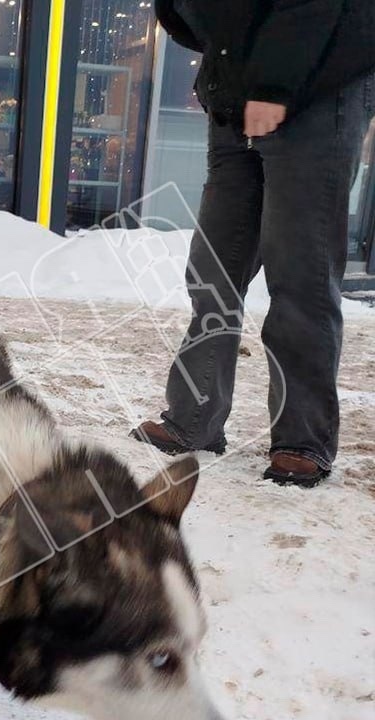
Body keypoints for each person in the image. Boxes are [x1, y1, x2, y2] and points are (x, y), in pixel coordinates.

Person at [134, 1, 375, 487]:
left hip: (314, 90)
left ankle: (302, 440)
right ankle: (195, 418)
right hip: (239, 95)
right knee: (212, 272)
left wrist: (273, 85)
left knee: (299, 275)